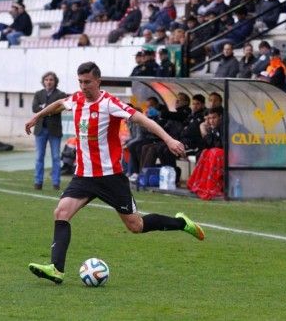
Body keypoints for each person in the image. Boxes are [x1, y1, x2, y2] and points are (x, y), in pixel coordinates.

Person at [24, 62, 205, 284]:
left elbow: (142, 119)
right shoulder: (76, 100)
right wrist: (37, 117)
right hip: (83, 176)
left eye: (88, 82)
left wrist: (168, 139)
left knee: (135, 226)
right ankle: (56, 269)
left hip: (110, 177)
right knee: (61, 212)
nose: (83, 86)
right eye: (80, 82)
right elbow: (60, 103)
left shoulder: (109, 103)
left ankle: (181, 223)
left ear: (98, 81)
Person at [32, 72, 68, 190]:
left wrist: (44, 108)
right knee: (39, 157)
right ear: (43, 81)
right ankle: (38, 182)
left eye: (51, 79)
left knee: (56, 157)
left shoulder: (61, 95)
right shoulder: (38, 94)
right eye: (46, 79)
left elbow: (59, 108)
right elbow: (34, 108)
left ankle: (56, 183)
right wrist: (49, 109)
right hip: (40, 129)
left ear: (55, 81)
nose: (49, 81)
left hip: (54, 130)